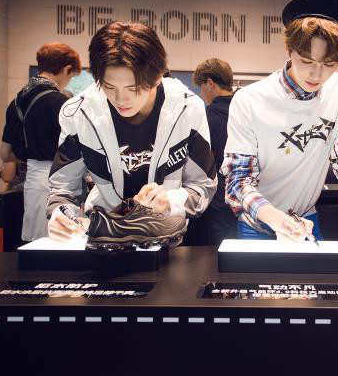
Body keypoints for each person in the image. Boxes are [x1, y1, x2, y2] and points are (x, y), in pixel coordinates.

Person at [221, 0, 338, 265]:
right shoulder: (250, 100)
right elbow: (237, 181)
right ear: (288, 50)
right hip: (258, 224)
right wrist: (275, 218)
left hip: (306, 221)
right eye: (306, 61)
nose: (317, 74)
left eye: (329, 64)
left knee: (315, 289)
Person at [46, 21, 217, 242]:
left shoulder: (187, 108)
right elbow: (62, 189)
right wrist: (61, 215)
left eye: (133, 88)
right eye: (109, 87)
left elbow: (203, 185)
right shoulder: (79, 113)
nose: (120, 99)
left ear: (158, 78)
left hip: (165, 235)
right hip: (102, 234)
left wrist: (172, 200)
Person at [0, 42, 81, 242]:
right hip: (61, 183)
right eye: (71, 76)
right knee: (62, 241)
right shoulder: (62, 104)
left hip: (34, 182)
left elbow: (5, 154)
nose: (68, 82)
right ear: (66, 69)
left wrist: (33, 155)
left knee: (37, 243)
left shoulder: (16, 103)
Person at [187, 58, 237, 245]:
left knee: (210, 255)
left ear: (210, 83)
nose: (201, 93)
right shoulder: (246, 112)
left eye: (201, 87)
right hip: (246, 200)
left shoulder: (207, 118)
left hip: (215, 203)